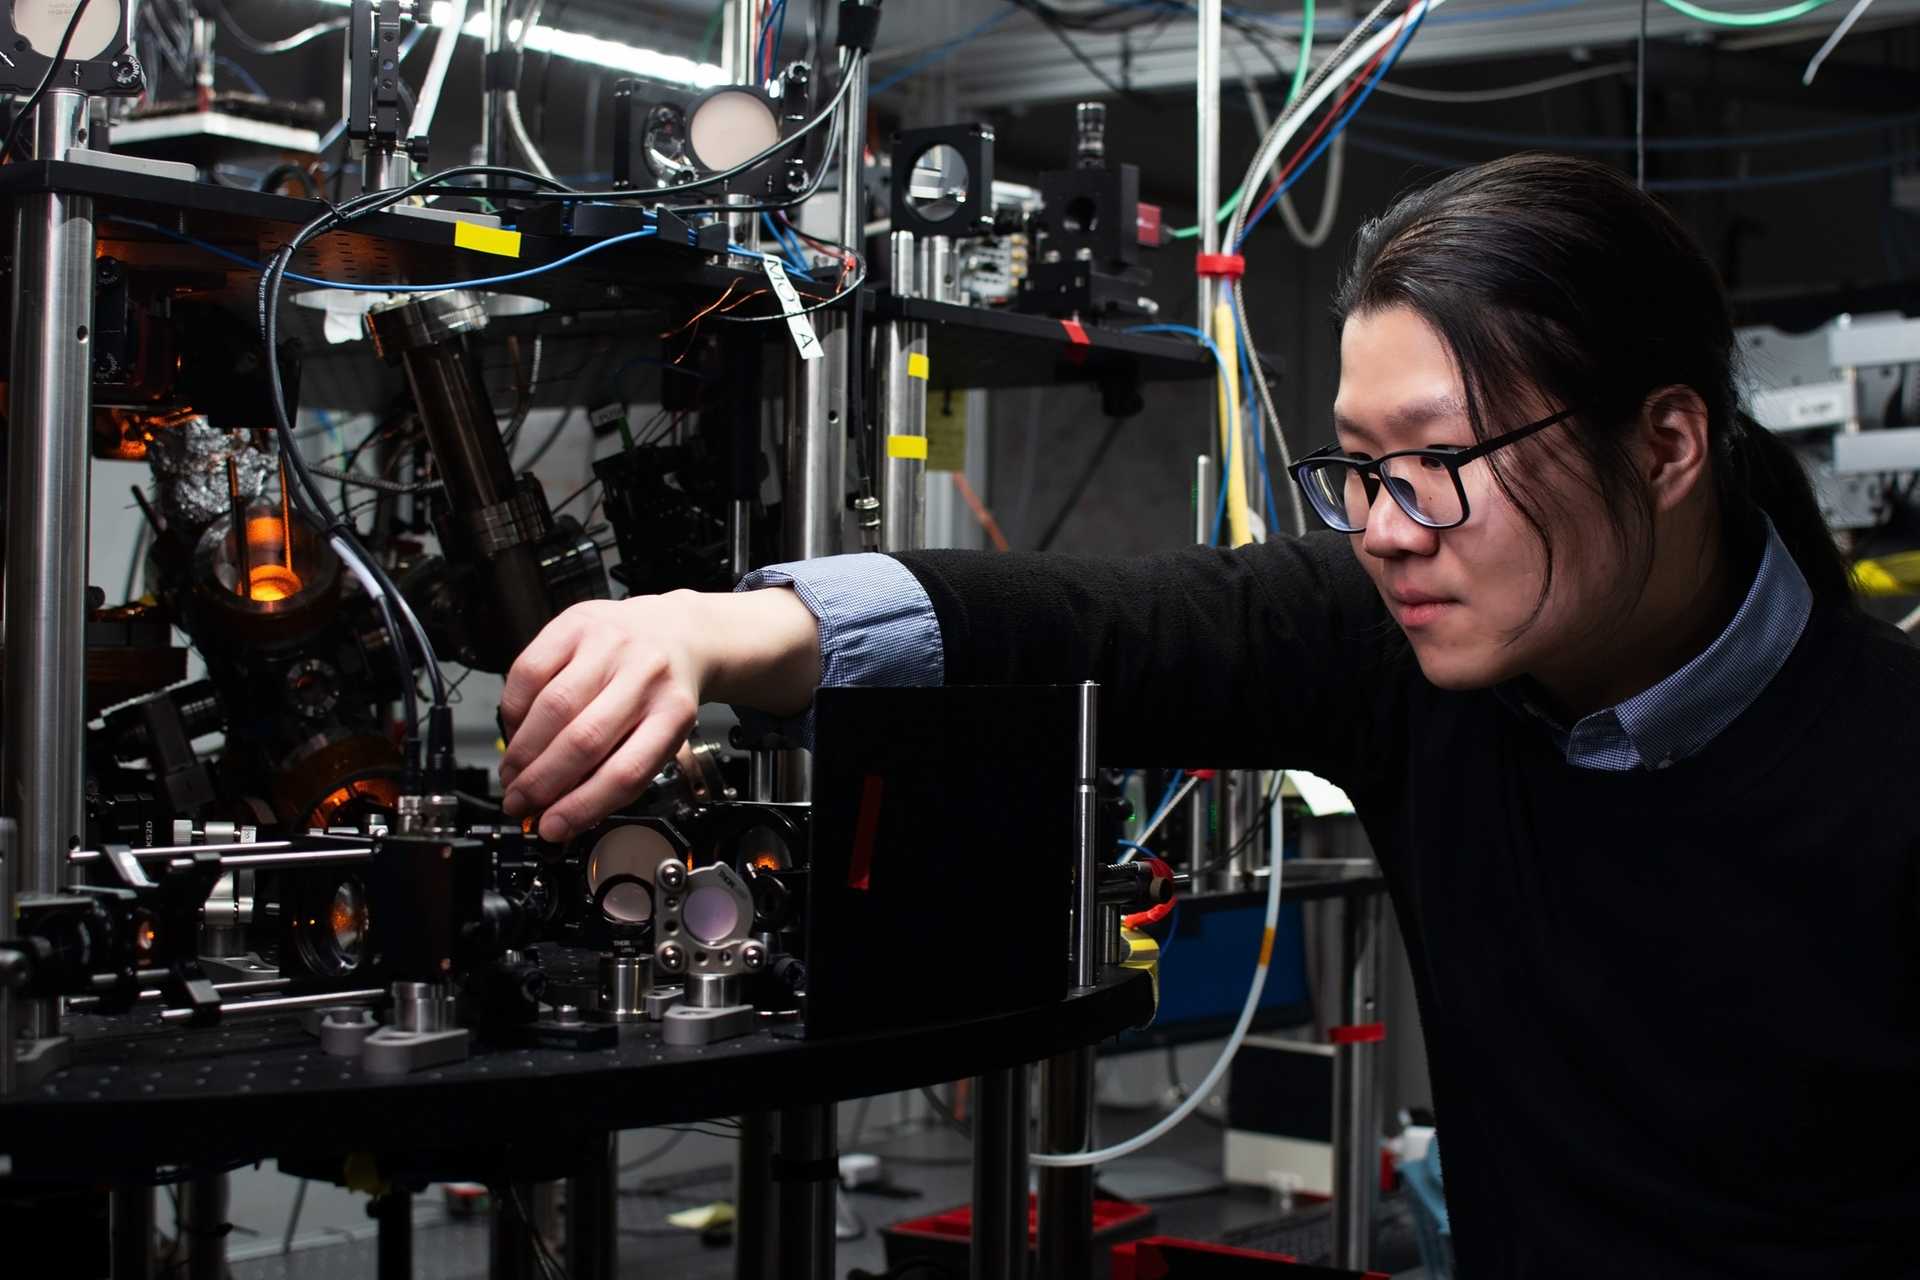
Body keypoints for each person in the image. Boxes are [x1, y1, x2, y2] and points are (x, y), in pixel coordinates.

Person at [495, 154, 1920, 1275]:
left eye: (1435, 463)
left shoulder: (1883, 766)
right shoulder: (1405, 656)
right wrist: (717, 627)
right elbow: (1111, 623)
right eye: (1356, 468)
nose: (1384, 530)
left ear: (1665, 445)